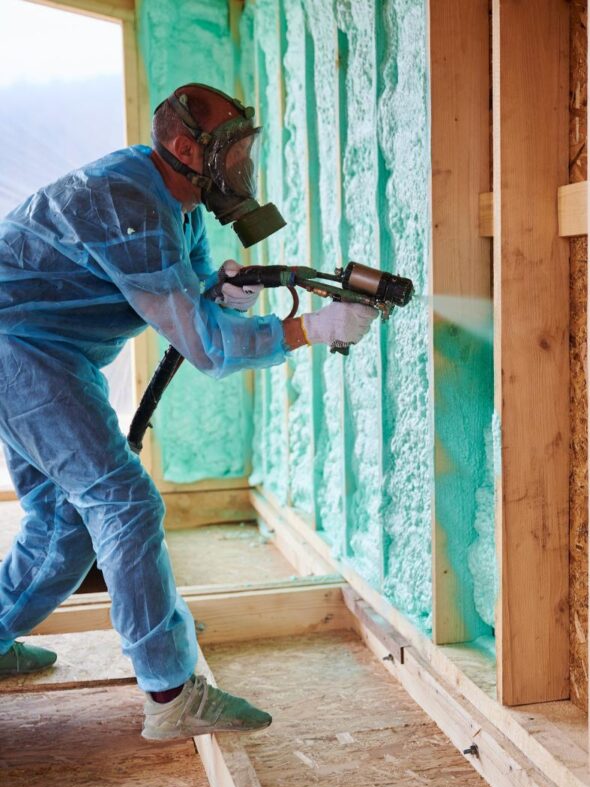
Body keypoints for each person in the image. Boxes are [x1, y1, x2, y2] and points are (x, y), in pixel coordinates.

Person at [0, 84, 377, 741]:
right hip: (19, 350)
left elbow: (195, 312)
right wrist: (310, 329)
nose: (242, 169)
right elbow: (204, 349)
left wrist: (225, 294)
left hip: (48, 352)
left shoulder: (182, 206)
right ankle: (170, 694)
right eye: (234, 153)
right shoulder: (128, 201)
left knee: (65, 519)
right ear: (186, 148)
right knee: (123, 503)